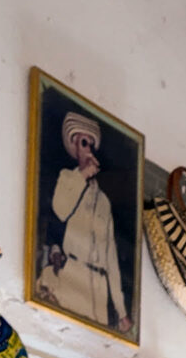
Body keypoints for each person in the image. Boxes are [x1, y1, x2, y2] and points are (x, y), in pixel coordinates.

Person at [41, 110, 126, 332]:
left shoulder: (104, 201)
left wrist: (121, 311)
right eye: (83, 144)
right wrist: (82, 176)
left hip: (99, 286)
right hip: (73, 274)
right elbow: (60, 209)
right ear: (75, 148)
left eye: (90, 144)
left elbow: (111, 257)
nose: (87, 150)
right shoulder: (67, 179)